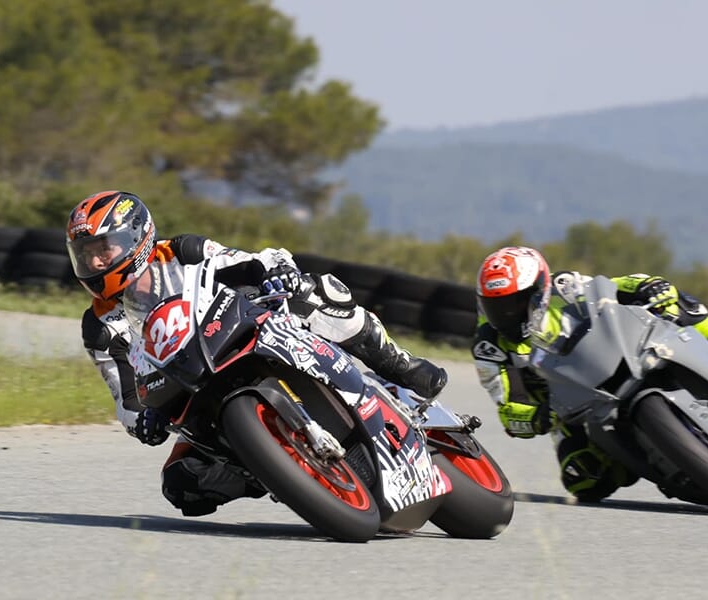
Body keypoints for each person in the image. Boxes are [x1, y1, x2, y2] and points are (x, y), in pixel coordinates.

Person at [66, 190, 447, 516]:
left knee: (319, 292)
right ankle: (274, 467)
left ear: (136, 238)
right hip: (189, 392)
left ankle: (399, 364)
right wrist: (142, 420)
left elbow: (250, 261)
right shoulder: (99, 327)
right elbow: (123, 393)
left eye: (103, 249)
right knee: (181, 485)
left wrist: (276, 272)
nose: (94, 263)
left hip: (239, 335)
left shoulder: (182, 252)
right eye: (84, 255)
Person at [472, 245, 708, 502]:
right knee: (583, 481)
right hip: (569, 408)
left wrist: (651, 286)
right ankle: (661, 458)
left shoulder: (563, 286)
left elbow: (611, 286)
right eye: (496, 307)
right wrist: (539, 416)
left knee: (680, 304)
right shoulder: (490, 347)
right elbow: (508, 411)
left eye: (514, 304)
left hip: (618, 355)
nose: (506, 315)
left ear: (537, 290)